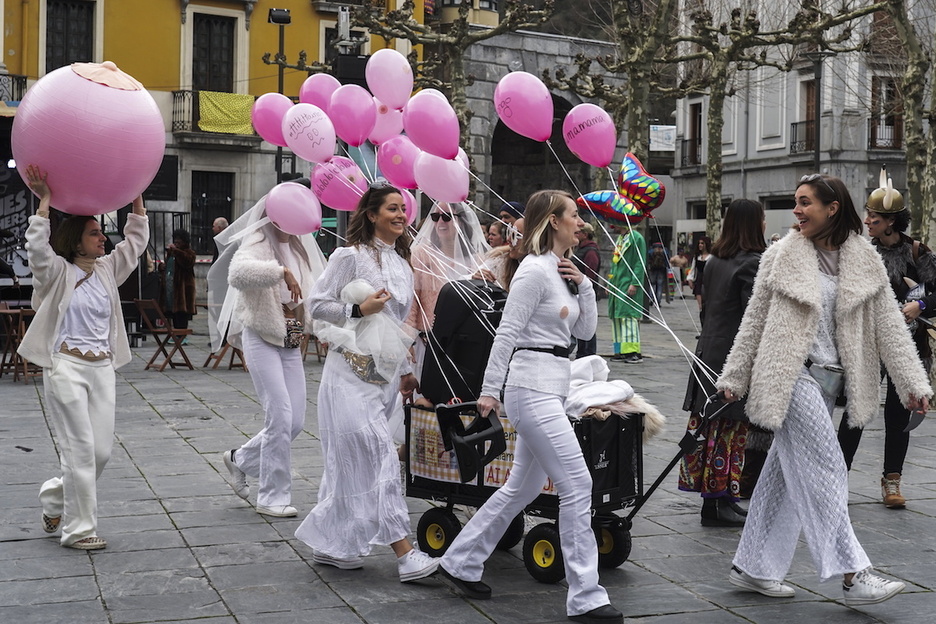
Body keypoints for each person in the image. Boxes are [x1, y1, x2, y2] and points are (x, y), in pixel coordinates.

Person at [718, 173, 931, 606]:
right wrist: (734, 376)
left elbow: (890, 327)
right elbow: (754, 322)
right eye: (796, 203)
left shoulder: (864, 259)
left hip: (832, 382)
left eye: (804, 203)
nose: (796, 210)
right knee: (827, 467)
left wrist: (914, 384)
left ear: (832, 208)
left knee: (783, 475)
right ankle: (854, 573)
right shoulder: (780, 255)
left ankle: (754, 565)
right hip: (789, 375)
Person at [439, 190, 623, 624]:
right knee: (578, 485)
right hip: (530, 388)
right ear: (553, 222)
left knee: (521, 488)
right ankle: (586, 597)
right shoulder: (533, 273)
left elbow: (583, 329)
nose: (581, 223)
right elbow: (505, 335)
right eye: (574, 215)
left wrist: (584, 285)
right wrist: (489, 392)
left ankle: (460, 561)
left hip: (551, 386)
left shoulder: (562, 272)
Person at [294, 183, 439, 582]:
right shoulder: (348, 256)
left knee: (351, 465)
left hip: (385, 378)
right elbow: (317, 304)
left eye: (403, 209)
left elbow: (397, 324)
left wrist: (408, 372)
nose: (400, 215)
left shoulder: (404, 264)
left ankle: (335, 545)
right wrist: (358, 309)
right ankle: (405, 552)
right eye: (392, 208)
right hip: (348, 377)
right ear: (371, 214)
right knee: (379, 455)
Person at [20, 165, 148, 550]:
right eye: (95, 233)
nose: (103, 238)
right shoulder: (57, 272)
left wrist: (135, 194)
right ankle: (78, 530)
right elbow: (37, 252)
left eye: (101, 232)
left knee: (100, 452)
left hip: (102, 367)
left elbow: (135, 242)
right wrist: (44, 203)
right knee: (78, 449)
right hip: (66, 366)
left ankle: (54, 497)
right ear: (76, 241)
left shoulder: (109, 270)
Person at [219, 190, 325, 517]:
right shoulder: (257, 241)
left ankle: (240, 458)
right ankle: (272, 496)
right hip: (260, 335)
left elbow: (312, 292)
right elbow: (238, 274)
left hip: (290, 338)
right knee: (278, 415)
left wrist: (320, 330)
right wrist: (279, 272)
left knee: (293, 422)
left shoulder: (298, 247)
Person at [837, 170, 936, 508]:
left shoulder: (919, 252)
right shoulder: (863, 252)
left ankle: (892, 482)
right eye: (868, 216)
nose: (867, 221)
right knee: (857, 412)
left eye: (874, 218)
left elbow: (935, 292)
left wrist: (919, 303)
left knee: (898, 414)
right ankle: (835, 478)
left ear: (892, 222)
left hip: (908, 345)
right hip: (868, 344)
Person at [679, 199, 767, 526]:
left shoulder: (715, 260)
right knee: (730, 429)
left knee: (711, 427)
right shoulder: (753, 263)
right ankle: (722, 501)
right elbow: (752, 318)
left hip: (707, 350)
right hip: (732, 354)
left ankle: (714, 502)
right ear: (753, 224)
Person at [407, 201, 489, 376]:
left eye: (447, 217)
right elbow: (411, 303)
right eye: (435, 217)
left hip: (465, 346)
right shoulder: (421, 255)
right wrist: (407, 341)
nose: (440, 223)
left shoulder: (478, 261)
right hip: (428, 343)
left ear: (462, 221)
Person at [607, 221, 646, 363]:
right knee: (617, 317)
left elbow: (639, 262)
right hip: (618, 283)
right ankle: (620, 350)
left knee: (628, 317)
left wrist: (635, 283)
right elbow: (615, 263)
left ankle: (632, 351)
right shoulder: (620, 239)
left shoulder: (637, 238)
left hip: (627, 283)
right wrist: (610, 283)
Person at [573, 222, 601, 357]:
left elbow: (591, 273)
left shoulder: (590, 251)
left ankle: (587, 352)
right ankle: (582, 351)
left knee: (587, 322)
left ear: (585, 234)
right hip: (578, 292)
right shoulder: (580, 249)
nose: (575, 234)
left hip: (585, 292)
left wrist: (585, 287)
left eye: (578, 232)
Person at [162, 228, 196, 330]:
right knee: (173, 312)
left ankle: (182, 335)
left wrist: (175, 251)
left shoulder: (189, 253)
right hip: (171, 287)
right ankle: (176, 333)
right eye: (175, 241)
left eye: (179, 241)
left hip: (183, 289)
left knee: (181, 313)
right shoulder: (172, 253)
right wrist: (162, 267)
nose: (176, 243)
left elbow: (187, 262)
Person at [687, 236, 711, 313]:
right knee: (698, 292)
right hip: (699, 278)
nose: (700, 245)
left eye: (702, 243)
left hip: (708, 278)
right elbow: (693, 268)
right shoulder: (697, 257)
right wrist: (690, 279)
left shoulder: (711, 257)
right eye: (699, 243)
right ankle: (701, 307)